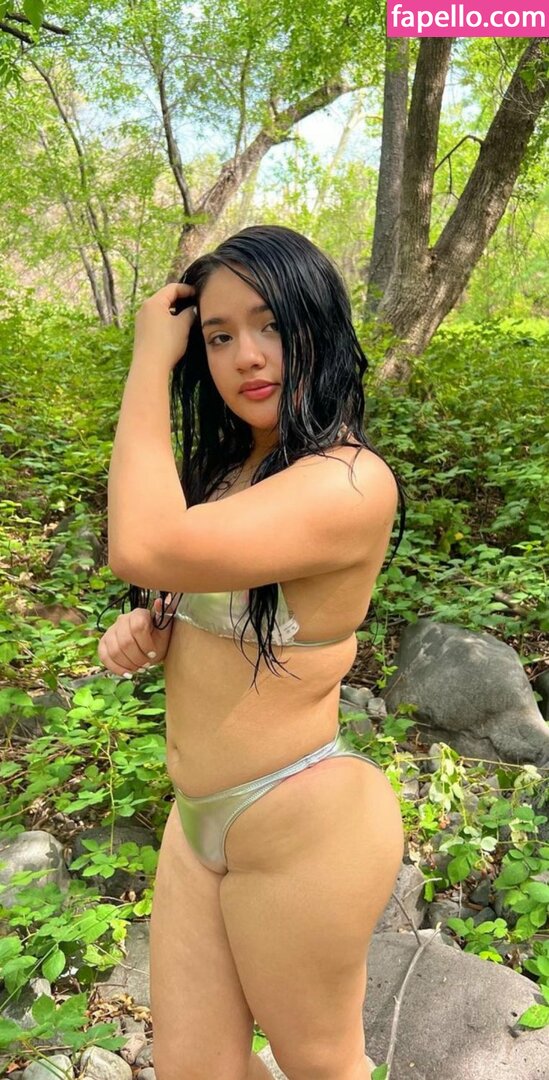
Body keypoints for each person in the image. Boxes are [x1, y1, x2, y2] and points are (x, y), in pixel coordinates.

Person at [98, 225, 406, 1080]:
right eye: (218, 336)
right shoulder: (238, 470)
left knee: (321, 1066)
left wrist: (148, 360)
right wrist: (157, 627)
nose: (247, 356)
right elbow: (189, 586)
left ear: (318, 323)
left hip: (302, 819)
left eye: (270, 324)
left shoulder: (348, 480)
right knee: (193, 1069)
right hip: (198, 821)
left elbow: (143, 545)